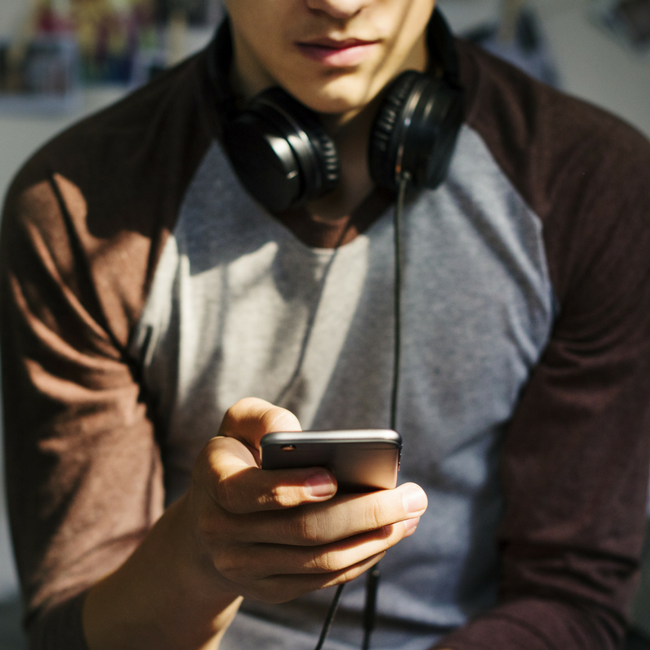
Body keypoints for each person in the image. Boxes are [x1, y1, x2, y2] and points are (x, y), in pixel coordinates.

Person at [1, 0, 650, 649]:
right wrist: (199, 560)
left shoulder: (596, 187)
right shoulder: (73, 210)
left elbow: (571, 598)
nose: (338, 3)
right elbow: (70, 630)